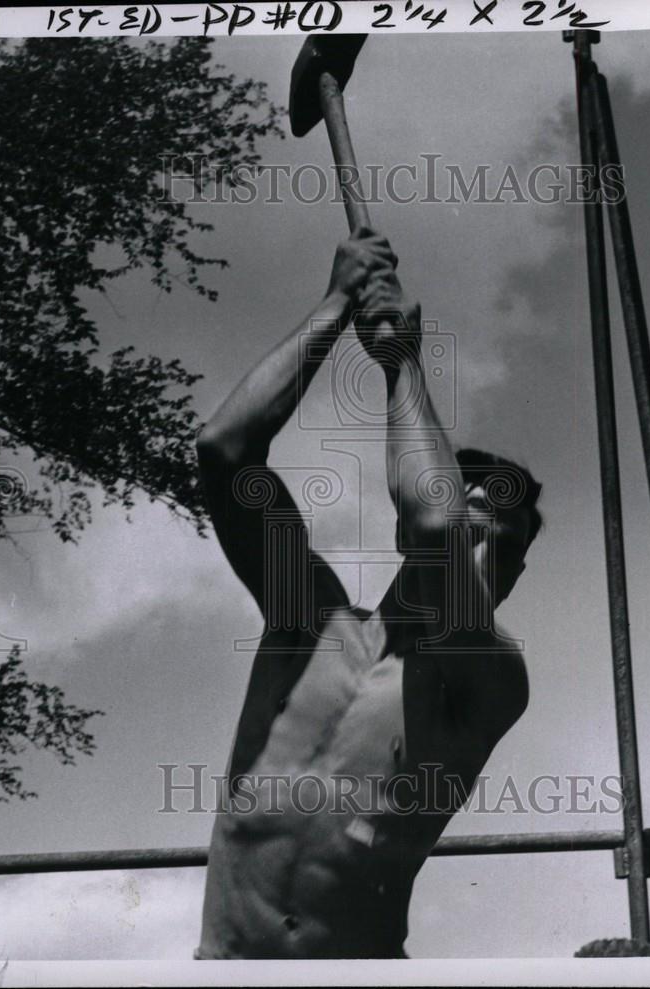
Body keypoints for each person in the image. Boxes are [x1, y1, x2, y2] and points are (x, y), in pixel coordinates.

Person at [194, 228, 543, 959]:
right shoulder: (304, 616)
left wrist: (400, 364)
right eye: (481, 529)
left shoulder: (485, 678)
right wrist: (337, 303)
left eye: (504, 549)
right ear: (397, 539)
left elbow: (437, 519)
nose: (482, 554)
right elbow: (223, 448)